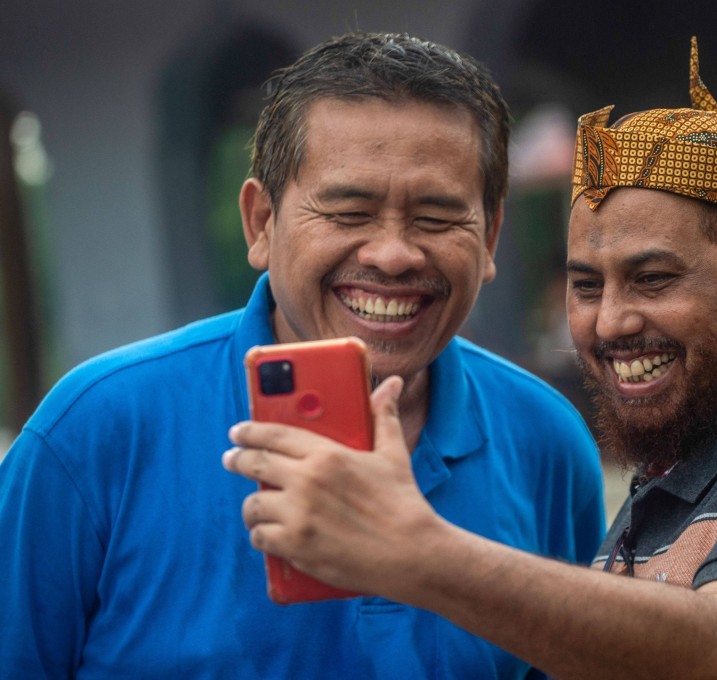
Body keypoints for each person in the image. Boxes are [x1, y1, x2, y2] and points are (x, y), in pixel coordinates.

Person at [223, 37, 717, 679]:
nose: (610, 322)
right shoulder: (674, 471)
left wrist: (416, 554)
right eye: (584, 285)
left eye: (654, 279)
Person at [0, 33, 606, 678]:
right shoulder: (96, 431)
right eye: (349, 212)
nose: (393, 254)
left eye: (435, 217)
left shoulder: (545, 440)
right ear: (262, 223)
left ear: (488, 236)